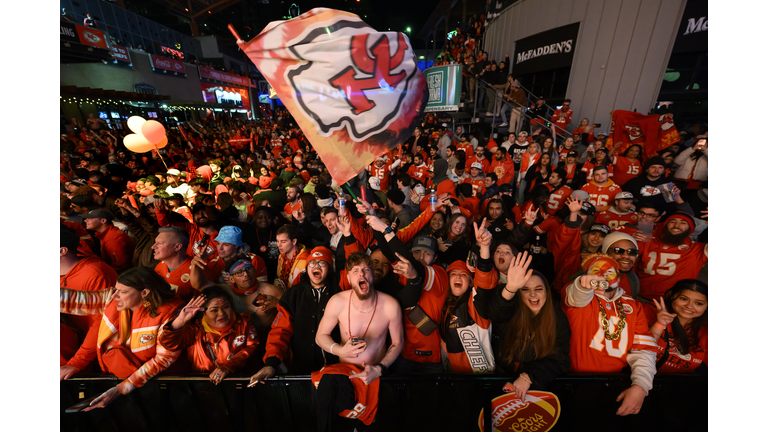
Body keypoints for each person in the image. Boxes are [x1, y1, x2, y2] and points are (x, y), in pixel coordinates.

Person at [60, 268, 184, 411]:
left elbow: (163, 359)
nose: (115, 296)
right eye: (116, 290)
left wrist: (121, 389)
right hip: (123, 385)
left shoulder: (171, 315)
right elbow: (71, 300)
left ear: (144, 293)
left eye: (122, 292)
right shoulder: (113, 300)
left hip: (164, 389)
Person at [313, 252, 404, 431]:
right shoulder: (338, 301)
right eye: (355, 271)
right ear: (348, 277)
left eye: (365, 270)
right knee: (328, 390)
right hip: (345, 375)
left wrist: (379, 369)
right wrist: (339, 350)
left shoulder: (390, 305)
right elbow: (320, 336)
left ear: (372, 274)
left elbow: (397, 342)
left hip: (376, 373)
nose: (361, 274)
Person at [474, 242, 572, 399]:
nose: (533, 294)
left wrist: (529, 376)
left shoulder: (557, 317)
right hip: (500, 380)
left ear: (547, 292)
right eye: (525, 290)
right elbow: (496, 313)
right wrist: (511, 288)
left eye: (538, 289)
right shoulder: (512, 309)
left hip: (537, 388)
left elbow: (560, 359)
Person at [563, 254, 657, 416]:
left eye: (609, 271)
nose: (603, 274)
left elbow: (643, 349)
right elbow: (576, 296)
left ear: (619, 278)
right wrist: (582, 285)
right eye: (596, 270)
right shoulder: (576, 291)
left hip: (615, 383)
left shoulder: (634, 306)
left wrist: (641, 386)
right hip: (574, 381)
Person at [250, 247, 342, 383]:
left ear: (329, 267)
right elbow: (280, 331)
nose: (316, 266)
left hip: (336, 368)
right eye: (312, 262)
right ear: (307, 267)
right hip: (302, 370)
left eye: (322, 262)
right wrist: (270, 363)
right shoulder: (293, 294)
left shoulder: (340, 290)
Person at [158, 288, 259, 384]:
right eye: (214, 310)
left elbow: (253, 347)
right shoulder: (195, 331)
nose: (221, 313)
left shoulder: (244, 323)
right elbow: (168, 344)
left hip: (240, 385)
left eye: (226, 307)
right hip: (204, 388)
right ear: (203, 312)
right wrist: (180, 321)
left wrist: (228, 367)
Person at [60, 227, 118, 366]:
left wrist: (78, 361)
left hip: (94, 357)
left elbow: (103, 323)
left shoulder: (97, 274)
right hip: (70, 348)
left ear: (62, 251)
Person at [636, 211, 708, 302]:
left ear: (690, 229)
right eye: (672, 222)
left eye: (683, 223)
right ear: (665, 225)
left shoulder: (697, 249)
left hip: (676, 302)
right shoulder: (646, 241)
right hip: (640, 298)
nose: (676, 226)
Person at [646, 280, 707, 374]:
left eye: (699, 303)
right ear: (671, 295)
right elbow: (640, 349)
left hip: (677, 385)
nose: (689, 306)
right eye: (684, 299)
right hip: (636, 379)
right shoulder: (648, 311)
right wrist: (659, 324)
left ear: (707, 306)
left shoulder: (705, 332)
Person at [82, 208, 136, 273]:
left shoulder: (112, 238)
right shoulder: (107, 234)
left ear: (103, 220)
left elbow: (120, 266)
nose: (85, 220)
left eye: (90, 218)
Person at [152, 226, 196, 301]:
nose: (153, 247)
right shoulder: (160, 266)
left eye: (159, 243)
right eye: (155, 242)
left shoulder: (198, 271)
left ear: (177, 247)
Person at [275, 225, 310, 290]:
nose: (279, 245)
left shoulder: (305, 261)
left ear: (294, 241)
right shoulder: (281, 257)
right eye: (277, 241)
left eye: (283, 242)